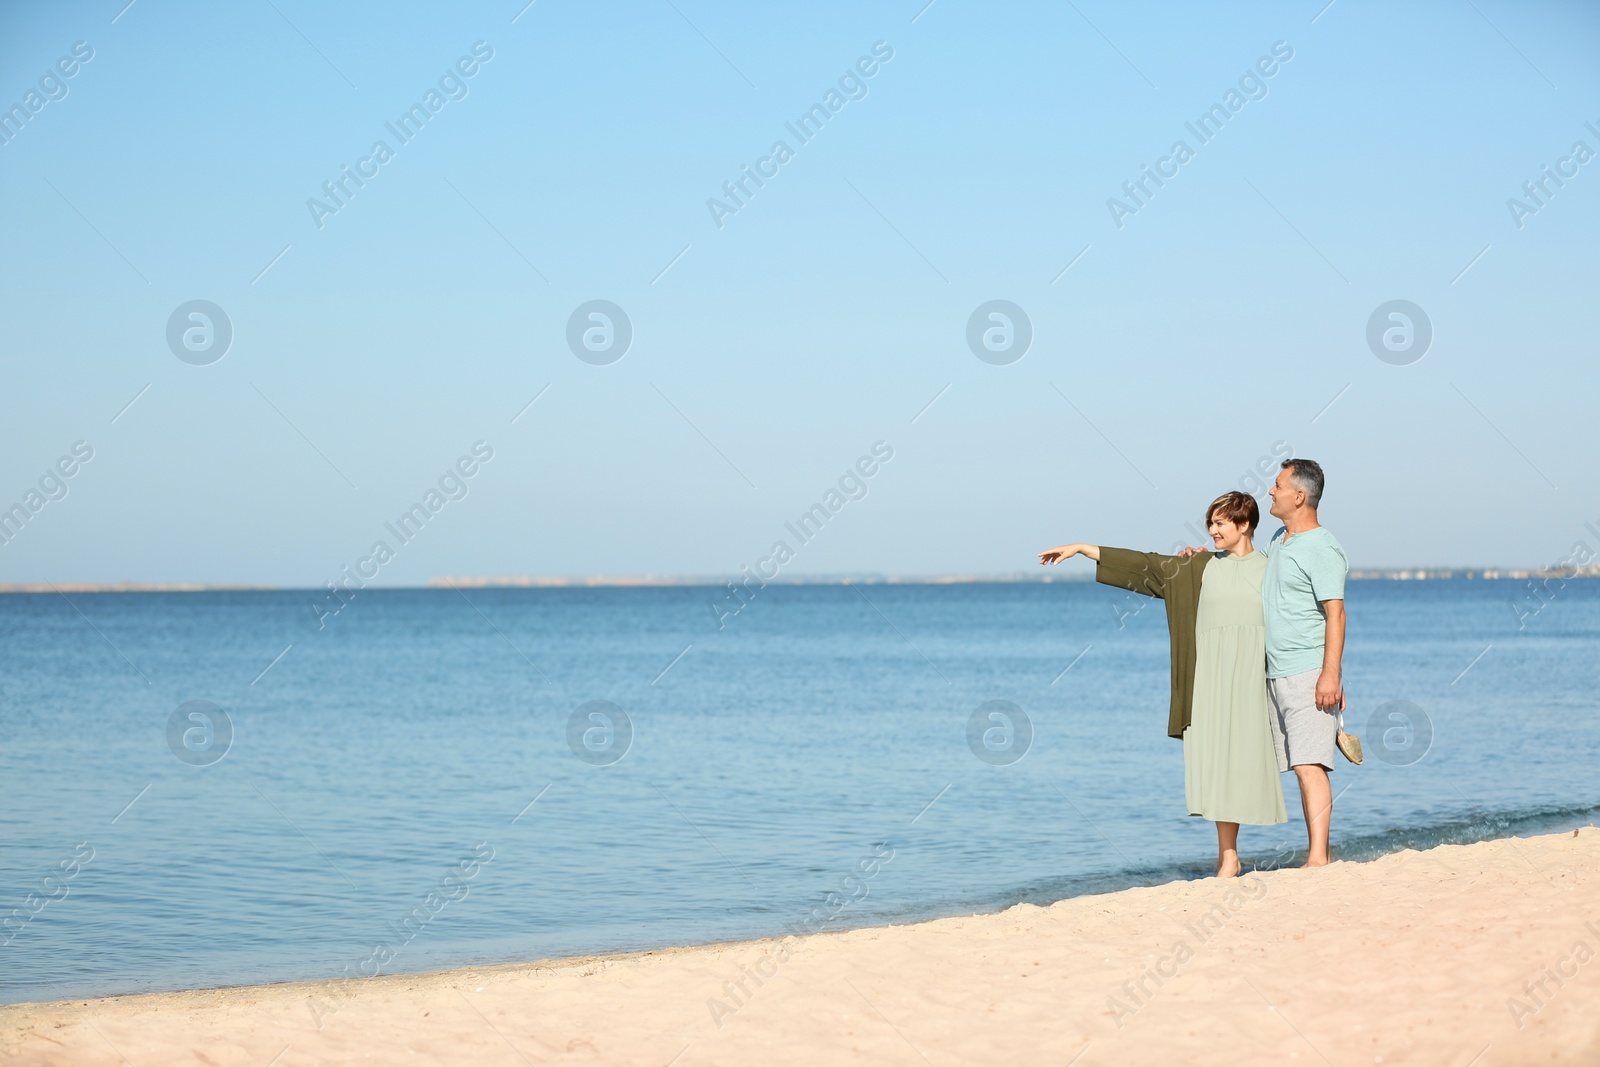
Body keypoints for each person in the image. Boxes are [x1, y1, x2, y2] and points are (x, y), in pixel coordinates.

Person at [1039, 491, 1286, 878]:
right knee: (1218, 763)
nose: (1212, 530)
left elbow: (1301, 616)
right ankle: (1229, 857)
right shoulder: (1199, 566)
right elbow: (1148, 566)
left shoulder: (1273, 567)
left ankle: (1315, 852)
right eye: (1211, 522)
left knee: (1249, 759)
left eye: (1221, 523)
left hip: (1254, 674)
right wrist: (1087, 549)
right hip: (1208, 676)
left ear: (1245, 524)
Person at [1257, 459, 1348, 867]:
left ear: (1299, 496)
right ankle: (1318, 852)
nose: (1270, 492)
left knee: (1310, 765)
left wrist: (1331, 674)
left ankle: (1317, 858)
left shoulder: (1323, 547)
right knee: (1299, 766)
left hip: (1308, 671)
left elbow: (1336, 613)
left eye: (1277, 486)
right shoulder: (1279, 538)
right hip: (1276, 672)